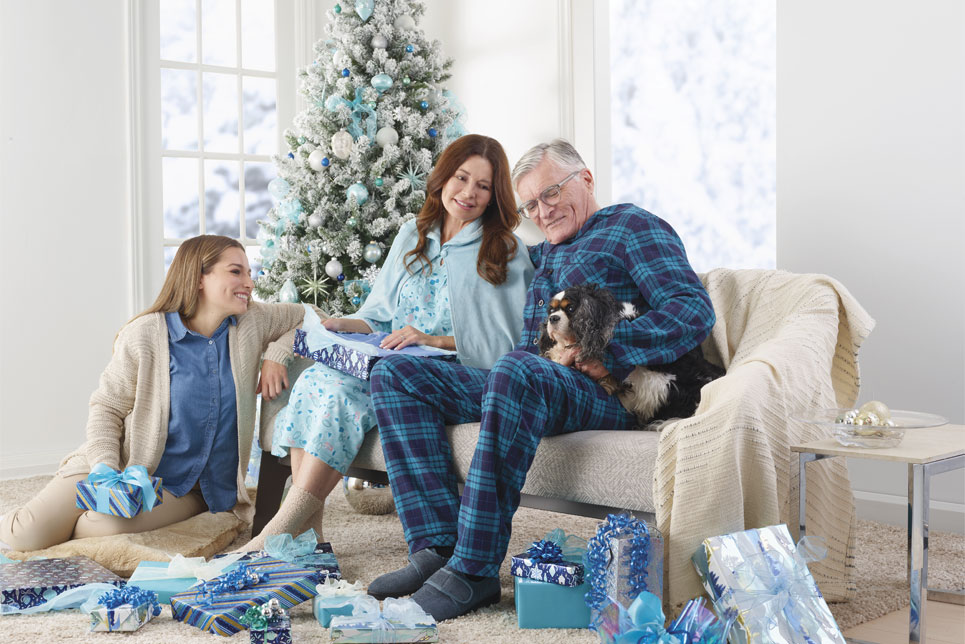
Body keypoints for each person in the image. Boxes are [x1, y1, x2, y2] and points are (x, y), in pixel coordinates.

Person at [366, 139, 717, 621]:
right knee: (395, 373)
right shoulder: (540, 254)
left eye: (551, 192)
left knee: (517, 368)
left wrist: (609, 351)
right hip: (533, 384)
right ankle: (437, 548)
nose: (543, 210)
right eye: (530, 204)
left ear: (586, 180)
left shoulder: (631, 228)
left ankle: (473, 570)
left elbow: (691, 309)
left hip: (606, 392)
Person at [242, 134, 534, 550]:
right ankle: (312, 539)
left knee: (344, 391)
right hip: (388, 359)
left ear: (493, 195)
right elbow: (379, 315)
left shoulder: (503, 248)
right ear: (443, 177)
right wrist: (347, 324)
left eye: (483, 186)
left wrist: (431, 338)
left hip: (450, 374)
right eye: (461, 177)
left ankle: (281, 529)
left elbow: (506, 342)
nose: (468, 192)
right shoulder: (411, 234)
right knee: (315, 381)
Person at [0, 235, 308, 551]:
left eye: (248, 272)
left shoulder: (251, 321)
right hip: (116, 461)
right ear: (199, 278)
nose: (249, 282)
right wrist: (105, 470)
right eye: (236, 272)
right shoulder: (145, 334)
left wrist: (277, 354)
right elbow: (106, 408)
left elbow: (311, 316)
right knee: (24, 535)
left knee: (99, 526)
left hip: (185, 488)